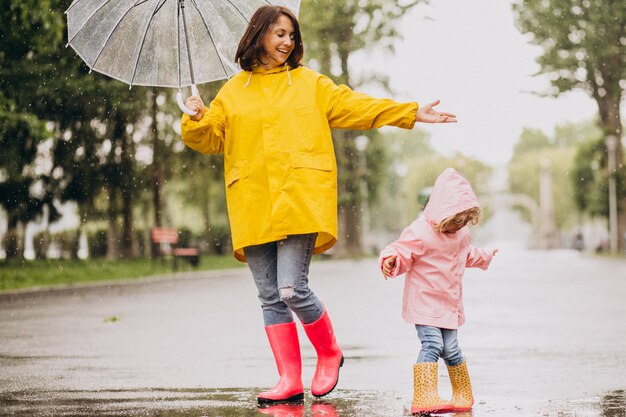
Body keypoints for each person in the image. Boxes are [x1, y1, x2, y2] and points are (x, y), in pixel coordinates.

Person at [181, 5, 457, 405]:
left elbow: (358, 107)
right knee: (270, 297)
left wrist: (410, 112)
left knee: (292, 288)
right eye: (279, 34)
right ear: (258, 34)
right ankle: (288, 379)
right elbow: (207, 139)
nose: (287, 42)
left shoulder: (310, 84)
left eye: (291, 35)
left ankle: (329, 352)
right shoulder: (232, 92)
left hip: (300, 198)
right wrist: (194, 117)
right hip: (252, 201)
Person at [378, 168, 498, 414]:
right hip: (424, 303)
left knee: (452, 349)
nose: (460, 225)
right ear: (443, 211)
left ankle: (463, 393)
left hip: (449, 304)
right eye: (456, 219)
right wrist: (391, 260)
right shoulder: (420, 232)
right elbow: (401, 250)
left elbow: (467, 254)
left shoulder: (461, 234)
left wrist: (484, 256)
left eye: (465, 220)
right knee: (432, 345)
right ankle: (424, 396)